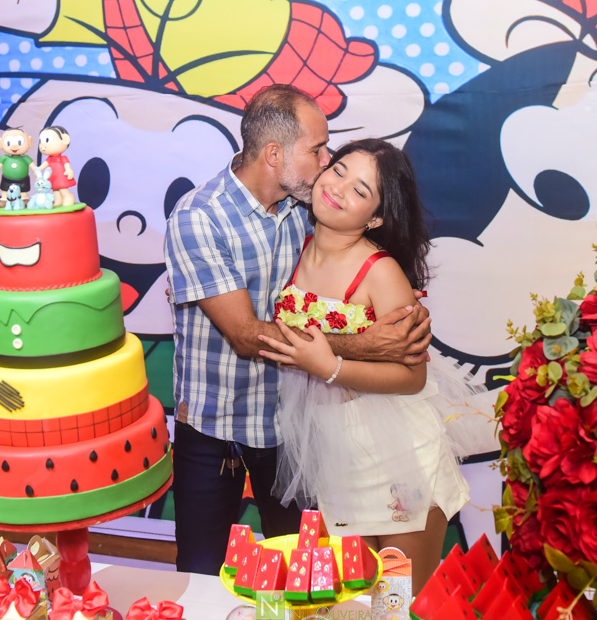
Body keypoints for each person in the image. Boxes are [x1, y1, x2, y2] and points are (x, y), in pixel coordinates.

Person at [165, 85, 433, 575]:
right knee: (203, 570)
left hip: (294, 431)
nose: (328, 162)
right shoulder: (198, 217)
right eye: (319, 150)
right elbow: (247, 335)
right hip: (215, 428)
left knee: (315, 579)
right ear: (274, 155)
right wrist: (367, 344)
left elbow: (401, 356)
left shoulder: (304, 214)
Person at [259, 139, 480, 595]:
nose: (338, 189)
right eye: (338, 171)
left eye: (360, 191)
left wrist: (331, 367)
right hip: (335, 456)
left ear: (375, 218)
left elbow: (412, 376)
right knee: (353, 603)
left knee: (398, 603)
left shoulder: (380, 272)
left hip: (398, 460)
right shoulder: (292, 247)